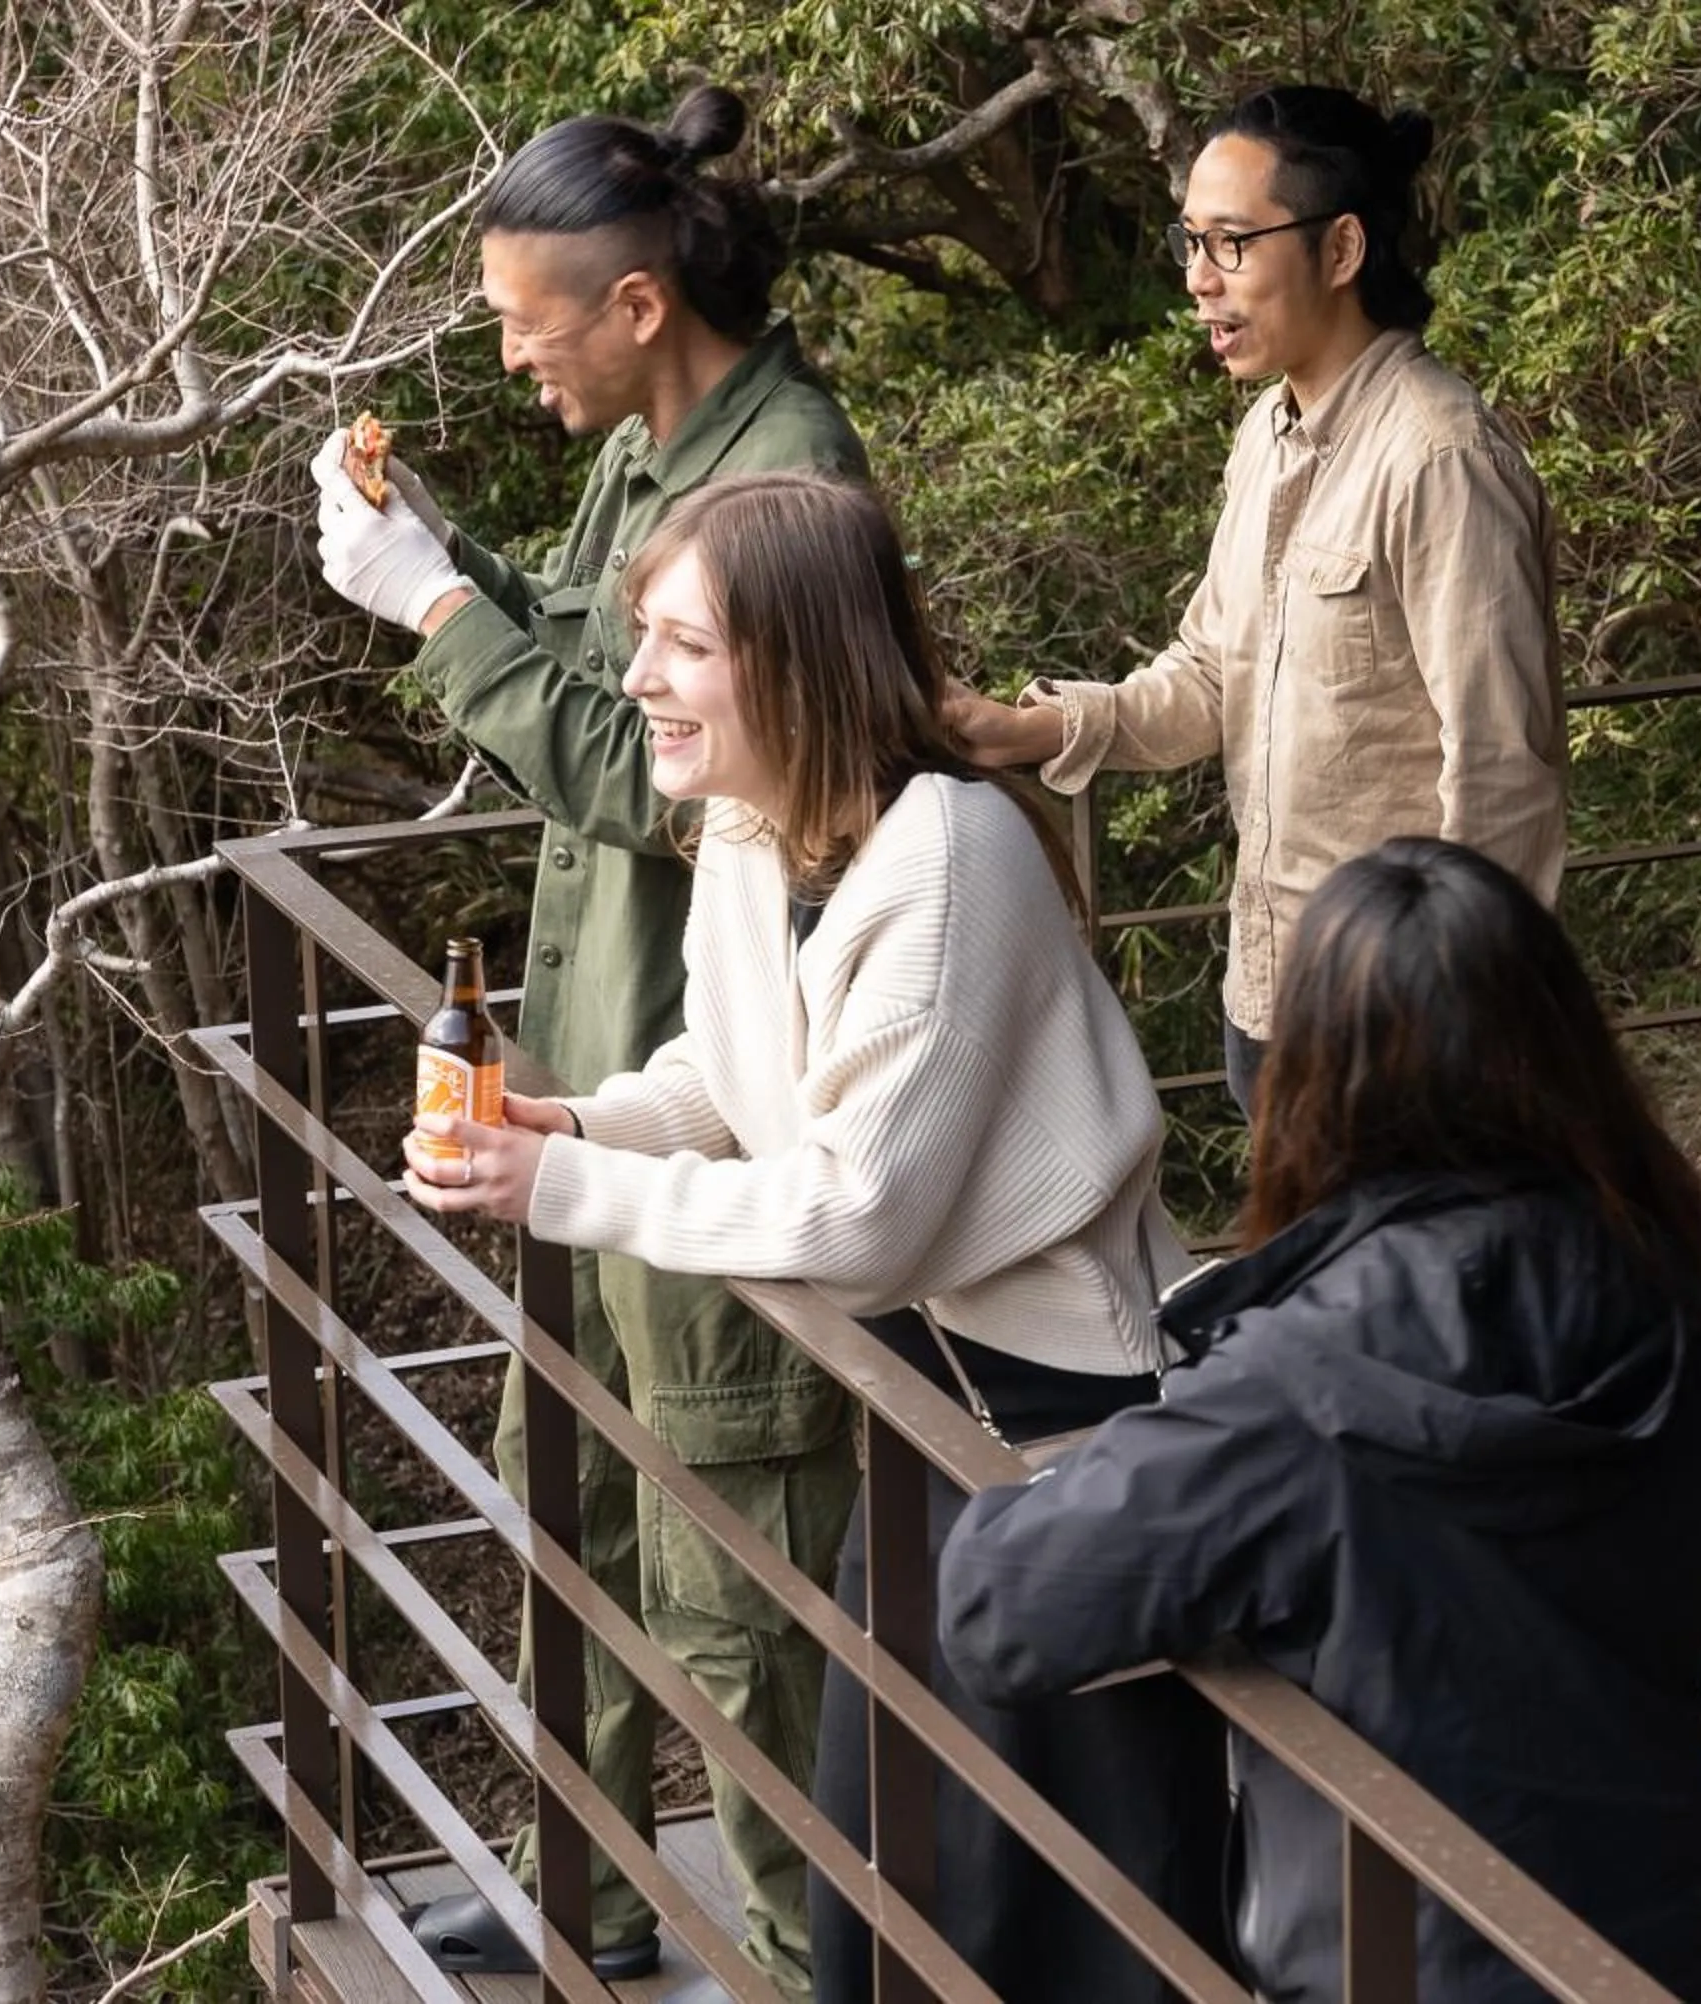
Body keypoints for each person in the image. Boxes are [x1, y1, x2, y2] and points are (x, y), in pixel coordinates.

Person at [402, 472, 1230, 2004]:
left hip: (1059, 1425)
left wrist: (558, 1194)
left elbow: (854, 1216)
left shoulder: (949, 857)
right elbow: (733, 1074)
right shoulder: (747, 825)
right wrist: (569, 1123)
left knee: (1085, 1905)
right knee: (893, 1863)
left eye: (681, 645)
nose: (639, 676)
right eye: (643, 637)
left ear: (794, 659)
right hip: (921, 1405)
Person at [310, 85, 868, 1990]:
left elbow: (659, 776)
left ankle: (810, 1957)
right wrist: (440, 551)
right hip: (611, 1076)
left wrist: (437, 608)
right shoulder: (658, 440)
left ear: (634, 300)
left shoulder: (782, 471)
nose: (502, 346)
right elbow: (582, 640)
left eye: (518, 316)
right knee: (589, 1491)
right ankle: (599, 1883)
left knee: (736, 1565)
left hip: (708, 1089)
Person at [935, 835, 1701, 2003]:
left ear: (1313, 1075)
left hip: (1395, 1962)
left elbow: (1001, 1608)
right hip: (1661, 1943)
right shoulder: (1694, 1289)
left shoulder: (1300, 1384)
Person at [943, 85, 1565, 1113]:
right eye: (1191, 243)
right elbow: (1207, 676)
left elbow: (1503, 769)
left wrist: (1455, 1022)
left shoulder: (1441, 458)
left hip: (1403, 1022)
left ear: (1341, 250)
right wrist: (1017, 730)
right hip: (1272, 993)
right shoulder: (1267, 437)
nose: (1197, 280)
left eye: (1231, 244)